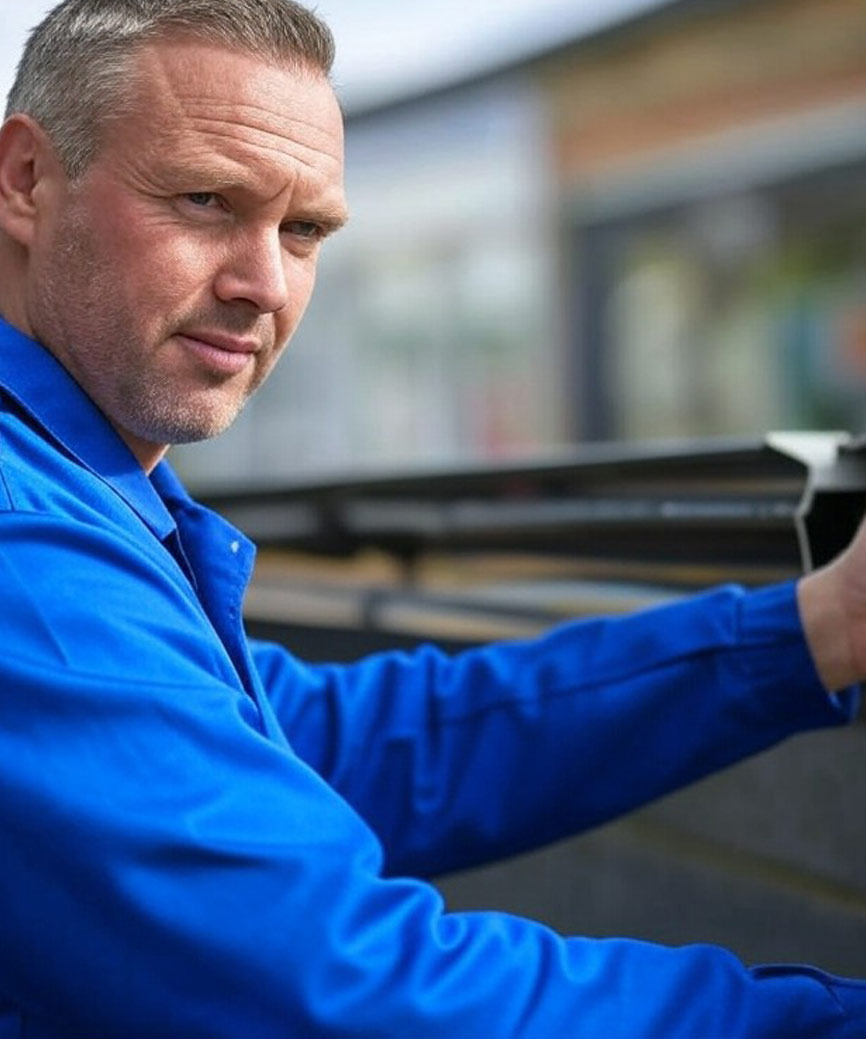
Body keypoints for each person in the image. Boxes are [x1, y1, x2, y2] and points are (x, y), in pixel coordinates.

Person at [0, 0, 864, 1035]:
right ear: (27, 179)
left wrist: (822, 626)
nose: (264, 284)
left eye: (304, 230)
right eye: (204, 200)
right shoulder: (27, 544)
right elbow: (341, 991)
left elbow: (336, 748)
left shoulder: (85, 494)